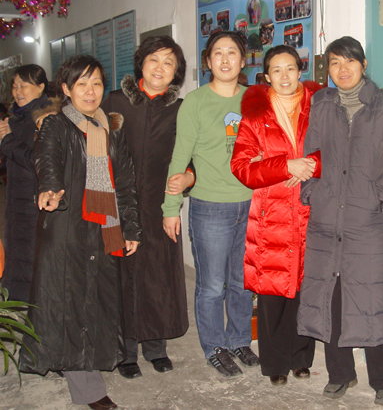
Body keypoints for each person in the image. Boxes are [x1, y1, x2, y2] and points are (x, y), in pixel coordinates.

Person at [19, 55, 141, 410]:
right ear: (67, 89)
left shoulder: (111, 131)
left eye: (97, 83)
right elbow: (47, 161)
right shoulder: (56, 125)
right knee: (71, 302)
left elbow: (125, 184)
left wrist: (131, 227)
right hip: (67, 228)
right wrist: (50, 190)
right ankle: (88, 387)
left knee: (96, 302)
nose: (90, 91)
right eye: (82, 84)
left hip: (104, 229)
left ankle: (75, 359)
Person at [297, 36, 383, 407]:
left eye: (349, 61)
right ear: (327, 69)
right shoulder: (322, 103)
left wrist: (380, 197)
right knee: (331, 296)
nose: (342, 69)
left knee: (374, 296)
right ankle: (340, 373)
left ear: (363, 64)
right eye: (334, 63)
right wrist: (312, 191)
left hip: (367, 218)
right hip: (327, 214)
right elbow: (311, 152)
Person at [162, 31, 258, 377]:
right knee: (212, 285)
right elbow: (180, 157)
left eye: (232, 52)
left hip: (250, 205)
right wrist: (170, 208)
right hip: (210, 207)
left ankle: (239, 340)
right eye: (218, 53)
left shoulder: (255, 99)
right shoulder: (195, 102)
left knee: (243, 283)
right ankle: (215, 346)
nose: (225, 59)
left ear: (243, 60)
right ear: (208, 61)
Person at [230, 45, 321, 386]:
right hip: (272, 214)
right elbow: (241, 167)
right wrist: (285, 166)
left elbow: (338, 150)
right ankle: (275, 364)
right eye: (276, 70)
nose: (284, 76)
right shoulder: (255, 116)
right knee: (273, 293)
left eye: (290, 68)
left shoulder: (318, 108)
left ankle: (301, 358)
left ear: (300, 70)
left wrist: (310, 165)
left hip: (311, 210)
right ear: (266, 76)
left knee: (305, 289)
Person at [100, 36, 189, 379]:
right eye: (154, 59)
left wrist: (189, 177)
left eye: (168, 63)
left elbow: (192, 156)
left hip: (160, 205)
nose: (159, 68)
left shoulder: (180, 109)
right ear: (141, 63)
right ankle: (125, 351)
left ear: (176, 72)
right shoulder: (115, 102)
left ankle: (156, 347)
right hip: (118, 203)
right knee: (122, 276)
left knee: (157, 276)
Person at [0, 65, 52, 302]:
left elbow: (38, 161)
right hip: (16, 202)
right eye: (14, 86)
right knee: (16, 252)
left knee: (33, 256)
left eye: (24, 85)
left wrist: (7, 140)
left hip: (36, 202)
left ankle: (34, 305)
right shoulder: (15, 118)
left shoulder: (45, 119)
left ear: (40, 87)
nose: (18, 91)